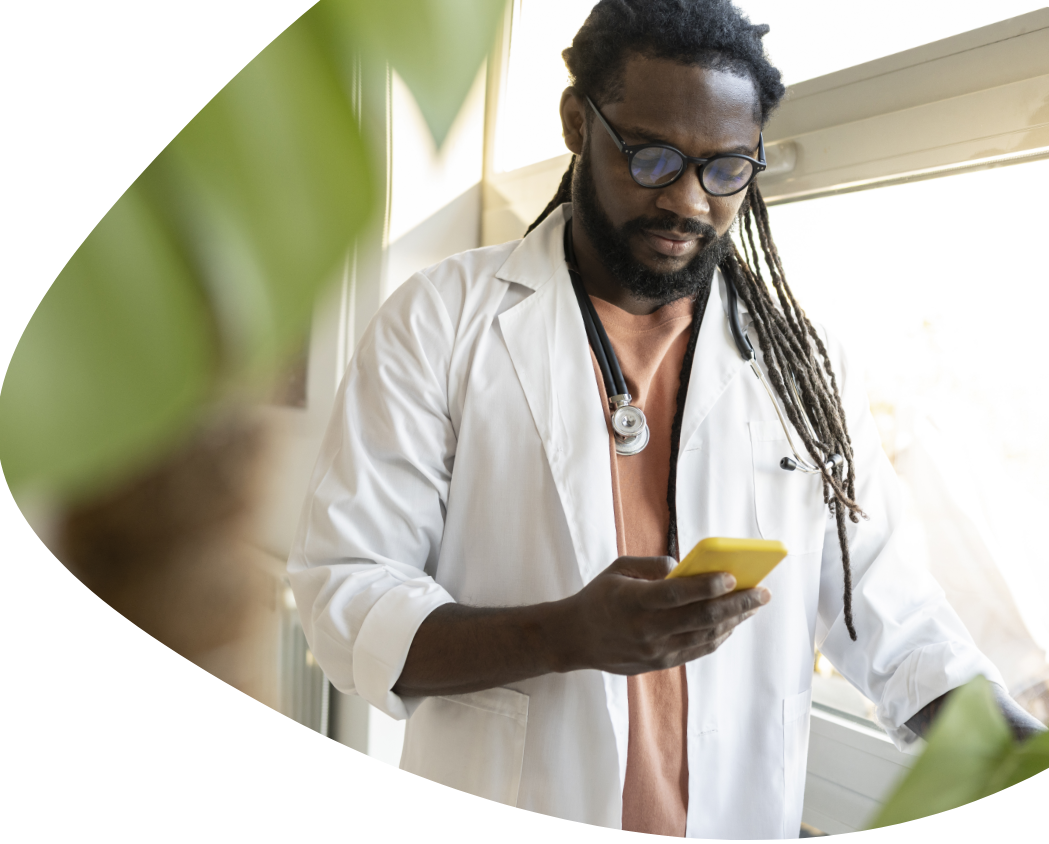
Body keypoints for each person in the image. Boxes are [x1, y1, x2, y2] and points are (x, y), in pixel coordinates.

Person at [288, 0, 1044, 836]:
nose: (687, 200)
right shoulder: (440, 319)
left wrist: (1016, 748)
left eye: (727, 169)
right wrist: (564, 635)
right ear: (578, 122)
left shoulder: (799, 360)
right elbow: (346, 592)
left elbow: (891, 613)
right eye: (652, 157)